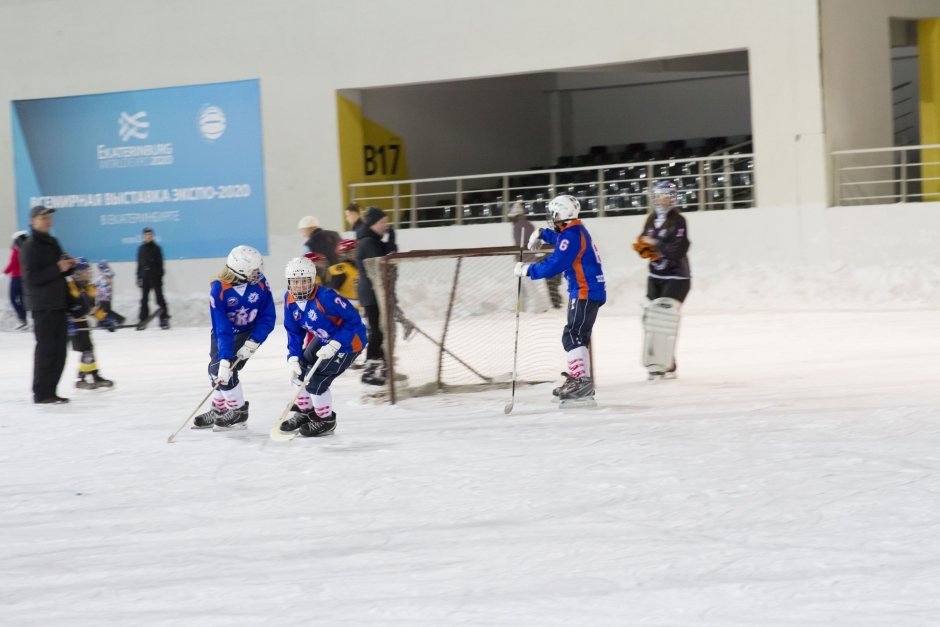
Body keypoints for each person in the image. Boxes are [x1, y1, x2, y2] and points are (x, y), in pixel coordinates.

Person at [515, 195, 606, 403]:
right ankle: (579, 379)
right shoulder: (573, 232)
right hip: (587, 290)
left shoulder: (571, 236)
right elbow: (559, 240)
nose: (552, 218)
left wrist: (528, 270)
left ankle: (581, 381)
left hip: (585, 291)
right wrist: (541, 233)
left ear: (562, 214)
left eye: (554, 214)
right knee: (578, 336)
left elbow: (556, 263)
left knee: (572, 335)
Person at [279, 256, 367, 437]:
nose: (299, 287)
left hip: (349, 343)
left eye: (304, 282)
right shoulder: (289, 300)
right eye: (295, 282)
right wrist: (293, 355)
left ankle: (325, 420)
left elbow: (354, 321)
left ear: (312, 280)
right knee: (299, 370)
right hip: (324, 338)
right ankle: (306, 412)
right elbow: (294, 332)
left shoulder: (327, 298)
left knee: (315, 380)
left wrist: (336, 343)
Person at [192, 245, 276, 431]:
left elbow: (268, 316)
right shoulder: (219, 289)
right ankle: (219, 410)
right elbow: (221, 327)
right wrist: (224, 358)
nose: (259, 273)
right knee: (216, 370)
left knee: (222, 371)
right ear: (240, 270)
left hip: (248, 334)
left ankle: (238, 411)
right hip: (224, 335)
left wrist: (254, 340)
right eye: (254, 270)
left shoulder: (261, 285)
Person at [632, 180, 691, 379]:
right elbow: (643, 241)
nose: (661, 199)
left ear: (672, 198)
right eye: (658, 195)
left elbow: (677, 250)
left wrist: (655, 244)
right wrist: (643, 247)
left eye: (666, 195)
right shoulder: (650, 219)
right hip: (655, 276)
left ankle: (660, 365)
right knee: (648, 316)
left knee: (663, 318)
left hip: (677, 277)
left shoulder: (678, 221)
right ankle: (667, 360)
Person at [20, 205, 77, 404]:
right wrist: (57, 268)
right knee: (46, 350)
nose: (47, 221)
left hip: (58, 304)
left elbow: (60, 272)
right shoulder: (30, 246)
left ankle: (51, 390)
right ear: (33, 221)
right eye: (43, 218)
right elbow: (32, 277)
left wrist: (69, 266)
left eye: (49, 217)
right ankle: (41, 392)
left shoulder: (53, 242)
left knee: (60, 350)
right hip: (43, 306)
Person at [355, 206, 397, 386]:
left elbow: (387, 256)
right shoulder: (368, 243)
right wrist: (391, 242)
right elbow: (385, 262)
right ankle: (372, 367)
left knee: (379, 329)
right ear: (372, 224)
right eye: (382, 222)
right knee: (378, 330)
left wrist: (391, 240)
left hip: (373, 292)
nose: (385, 226)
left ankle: (379, 365)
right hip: (373, 293)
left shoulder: (371, 240)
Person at [66, 257, 114, 389]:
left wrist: (103, 319)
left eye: (88, 271)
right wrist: (68, 322)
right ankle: (80, 378)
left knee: (89, 349)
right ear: (77, 273)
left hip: (82, 323)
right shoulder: (70, 288)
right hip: (73, 325)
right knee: (86, 351)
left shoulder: (89, 288)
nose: (88, 274)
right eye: (85, 271)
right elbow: (66, 307)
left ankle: (94, 376)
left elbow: (93, 308)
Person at [508, 202, 562, 311]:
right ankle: (520, 308)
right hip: (531, 258)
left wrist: (518, 255)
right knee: (522, 286)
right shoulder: (530, 225)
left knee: (529, 286)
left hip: (523, 259)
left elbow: (519, 243)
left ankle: (541, 306)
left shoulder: (517, 227)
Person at [136, 226, 170, 329]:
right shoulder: (141, 249)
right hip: (145, 277)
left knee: (159, 299)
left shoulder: (157, 248)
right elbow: (139, 265)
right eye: (146, 235)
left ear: (153, 236)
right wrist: (138, 277)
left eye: (150, 235)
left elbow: (161, 264)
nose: (148, 236)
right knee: (144, 300)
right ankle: (143, 319)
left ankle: (164, 319)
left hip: (155, 277)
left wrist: (159, 276)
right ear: (143, 236)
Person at [3, 230, 29, 330]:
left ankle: (23, 319)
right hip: (25, 277)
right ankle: (24, 319)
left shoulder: (16, 250)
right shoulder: (27, 250)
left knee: (13, 298)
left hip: (16, 277)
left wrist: (4, 273)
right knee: (22, 298)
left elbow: (12, 264)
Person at [93, 260, 126, 330]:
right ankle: (118, 320)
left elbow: (97, 284)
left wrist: (95, 287)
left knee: (102, 310)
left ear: (101, 267)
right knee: (106, 310)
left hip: (102, 296)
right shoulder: (108, 273)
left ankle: (118, 320)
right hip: (107, 296)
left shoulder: (103, 275)